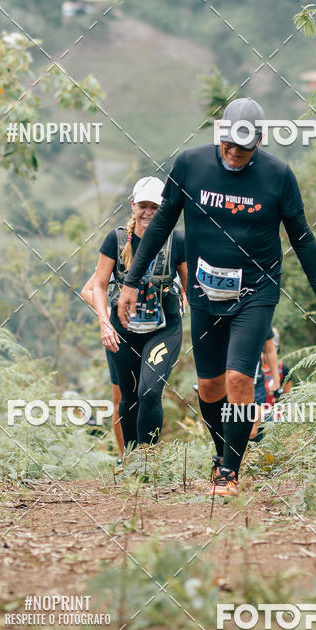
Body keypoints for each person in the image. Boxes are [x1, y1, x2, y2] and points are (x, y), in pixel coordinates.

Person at [117, 97, 316, 497]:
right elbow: (160, 227)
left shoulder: (278, 176)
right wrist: (132, 281)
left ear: (258, 142)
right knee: (210, 387)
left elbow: (303, 239)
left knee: (240, 377)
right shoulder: (190, 165)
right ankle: (225, 451)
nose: (235, 154)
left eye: (244, 148)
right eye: (229, 145)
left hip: (256, 291)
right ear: (220, 134)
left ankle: (229, 473)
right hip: (205, 294)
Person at [91, 176, 188, 449]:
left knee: (149, 392)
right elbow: (98, 286)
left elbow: (191, 286)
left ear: (164, 209)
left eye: (155, 207)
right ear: (132, 205)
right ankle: (133, 463)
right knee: (129, 396)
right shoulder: (117, 239)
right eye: (143, 205)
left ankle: (149, 459)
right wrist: (104, 324)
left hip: (163, 329)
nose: (148, 212)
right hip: (123, 330)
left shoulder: (176, 241)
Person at [80, 272, 123, 459]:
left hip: (157, 332)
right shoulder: (119, 247)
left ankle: (149, 459)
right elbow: (88, 290)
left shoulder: (169, 248)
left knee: (152, 397)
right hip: (120, 333)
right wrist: (108, 315)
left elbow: (186, 290)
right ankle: (124, 458)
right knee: (120, 401)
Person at [250, 327, 292, 441]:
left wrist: (278, 398)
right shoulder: (252, 371)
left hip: (274, 417)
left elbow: (289, 398)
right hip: (254, 416)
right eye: (263, 350)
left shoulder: (283, 369)